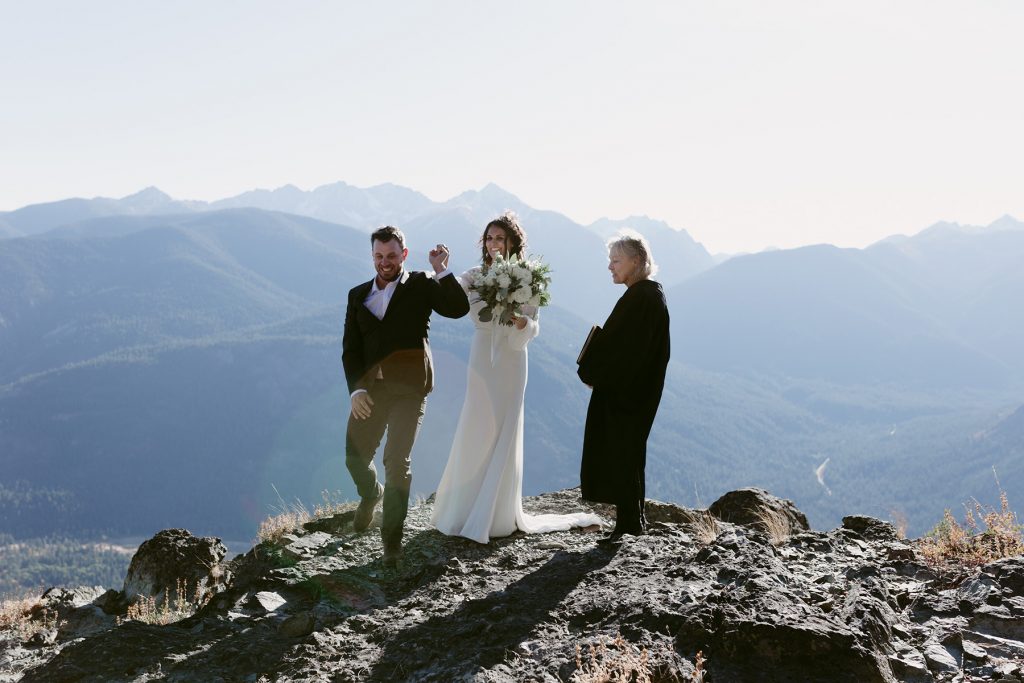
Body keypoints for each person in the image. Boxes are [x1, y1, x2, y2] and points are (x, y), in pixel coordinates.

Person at [432, 212, 603, 543]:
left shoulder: (528, 276)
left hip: (512, 359)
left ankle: (495, 515)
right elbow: (452, 296)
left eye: (500, 238)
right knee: (476, 424)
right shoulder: (475, 274)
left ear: (512, 242)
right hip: (482, 357)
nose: (494, 244)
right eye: (489, 238)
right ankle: (463, 510)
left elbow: (533, 322)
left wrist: (525, 325)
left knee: (504, 429)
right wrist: (440, 269)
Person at [342, 226, 470, 567]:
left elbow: (457, 309)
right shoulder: (357, 295)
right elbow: (351, 350)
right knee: (355, 457)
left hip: (410, 389)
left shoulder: (422, 284)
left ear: (405, 255)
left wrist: (442, 270)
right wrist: (356, 389)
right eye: (379, 256)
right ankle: (371, 494)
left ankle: (392, 543)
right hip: (371, 390)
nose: (385, 263)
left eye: (392, 256)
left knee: (396, 462)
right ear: (372, 256)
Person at [577, 229, 670, 543]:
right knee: (629, 453)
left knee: (624, 452)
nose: (610, 267)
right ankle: (632, 521)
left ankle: (629, 525)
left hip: (627, 394)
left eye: (616, 260)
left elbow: (627, 351)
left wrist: (599, 373)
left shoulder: (642, 297)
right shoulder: (646, 295)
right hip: (633, 391)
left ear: (638, 260)